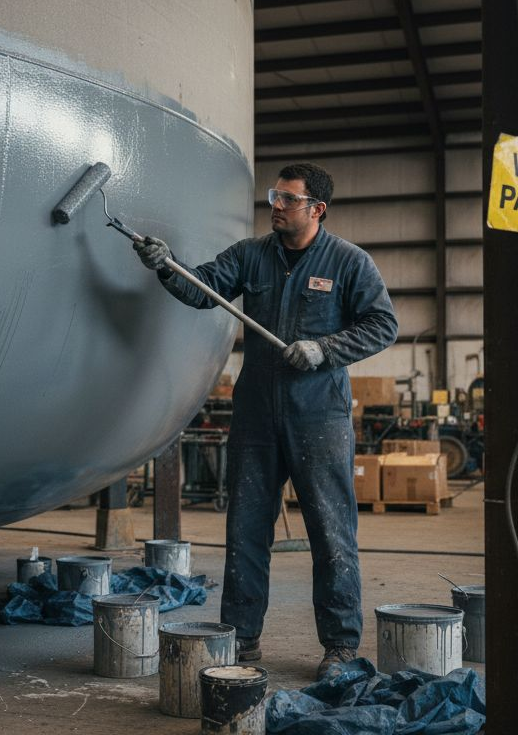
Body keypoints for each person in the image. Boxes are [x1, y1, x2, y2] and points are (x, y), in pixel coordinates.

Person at [133, 162, 397, 679]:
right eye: (274, 196)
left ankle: (340, 646)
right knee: (247, 531)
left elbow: (383, 324)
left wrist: (325, 349)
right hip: (256, 415)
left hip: (319, 415)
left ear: (316, 209)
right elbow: (200, 287)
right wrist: (166, 266)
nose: (274, 204)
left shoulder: (348, 262)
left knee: (331, 531)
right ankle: (242, 639)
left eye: (287, 198)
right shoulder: (251, 256)